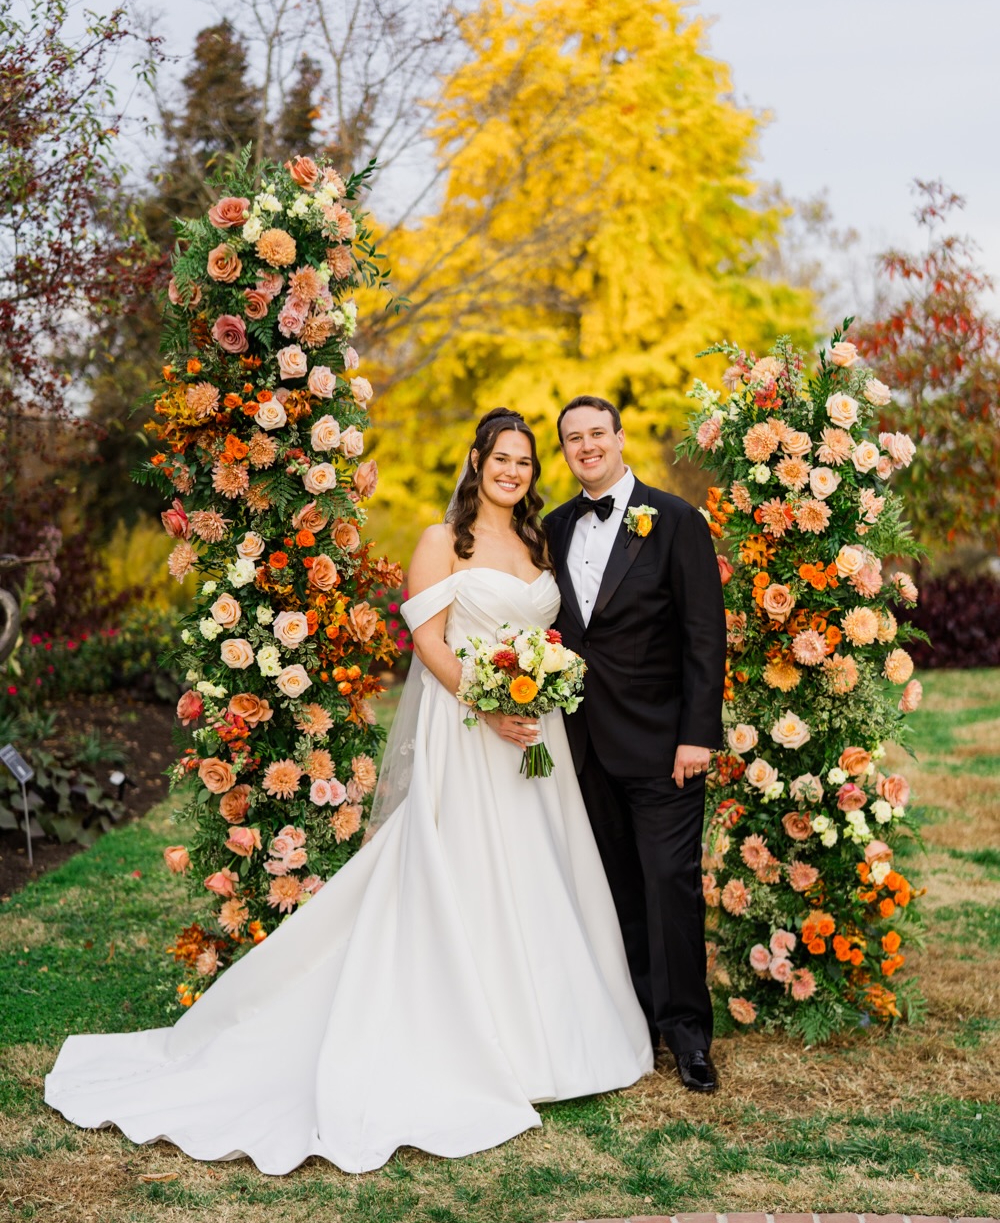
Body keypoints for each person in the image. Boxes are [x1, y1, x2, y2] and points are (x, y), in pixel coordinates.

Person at [44, 408, 652, 1176]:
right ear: (476, 459)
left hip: (535, 739)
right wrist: (487, 700)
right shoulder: (444, 541)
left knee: (542, 870)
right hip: (468, 730)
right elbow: (429, 642)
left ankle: (559, 1034)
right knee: (467, 871)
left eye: (525, 462)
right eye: (502, 458)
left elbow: (550, 629)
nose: (512, 472)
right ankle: (477, 1036)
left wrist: (536, 685)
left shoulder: (539, 541)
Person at [545, 396, 726, 1093]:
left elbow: (704, 637)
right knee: (614, 891)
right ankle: (634, 1023)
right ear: (564, 450)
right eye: (573, 438)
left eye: (597, 433)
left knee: (669, 886)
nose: (587, 446)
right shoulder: (554, 526)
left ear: (619, 438)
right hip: (582, 746)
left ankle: (688, 1035)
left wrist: (696, 737)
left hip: (661, 747)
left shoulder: (675, 520)